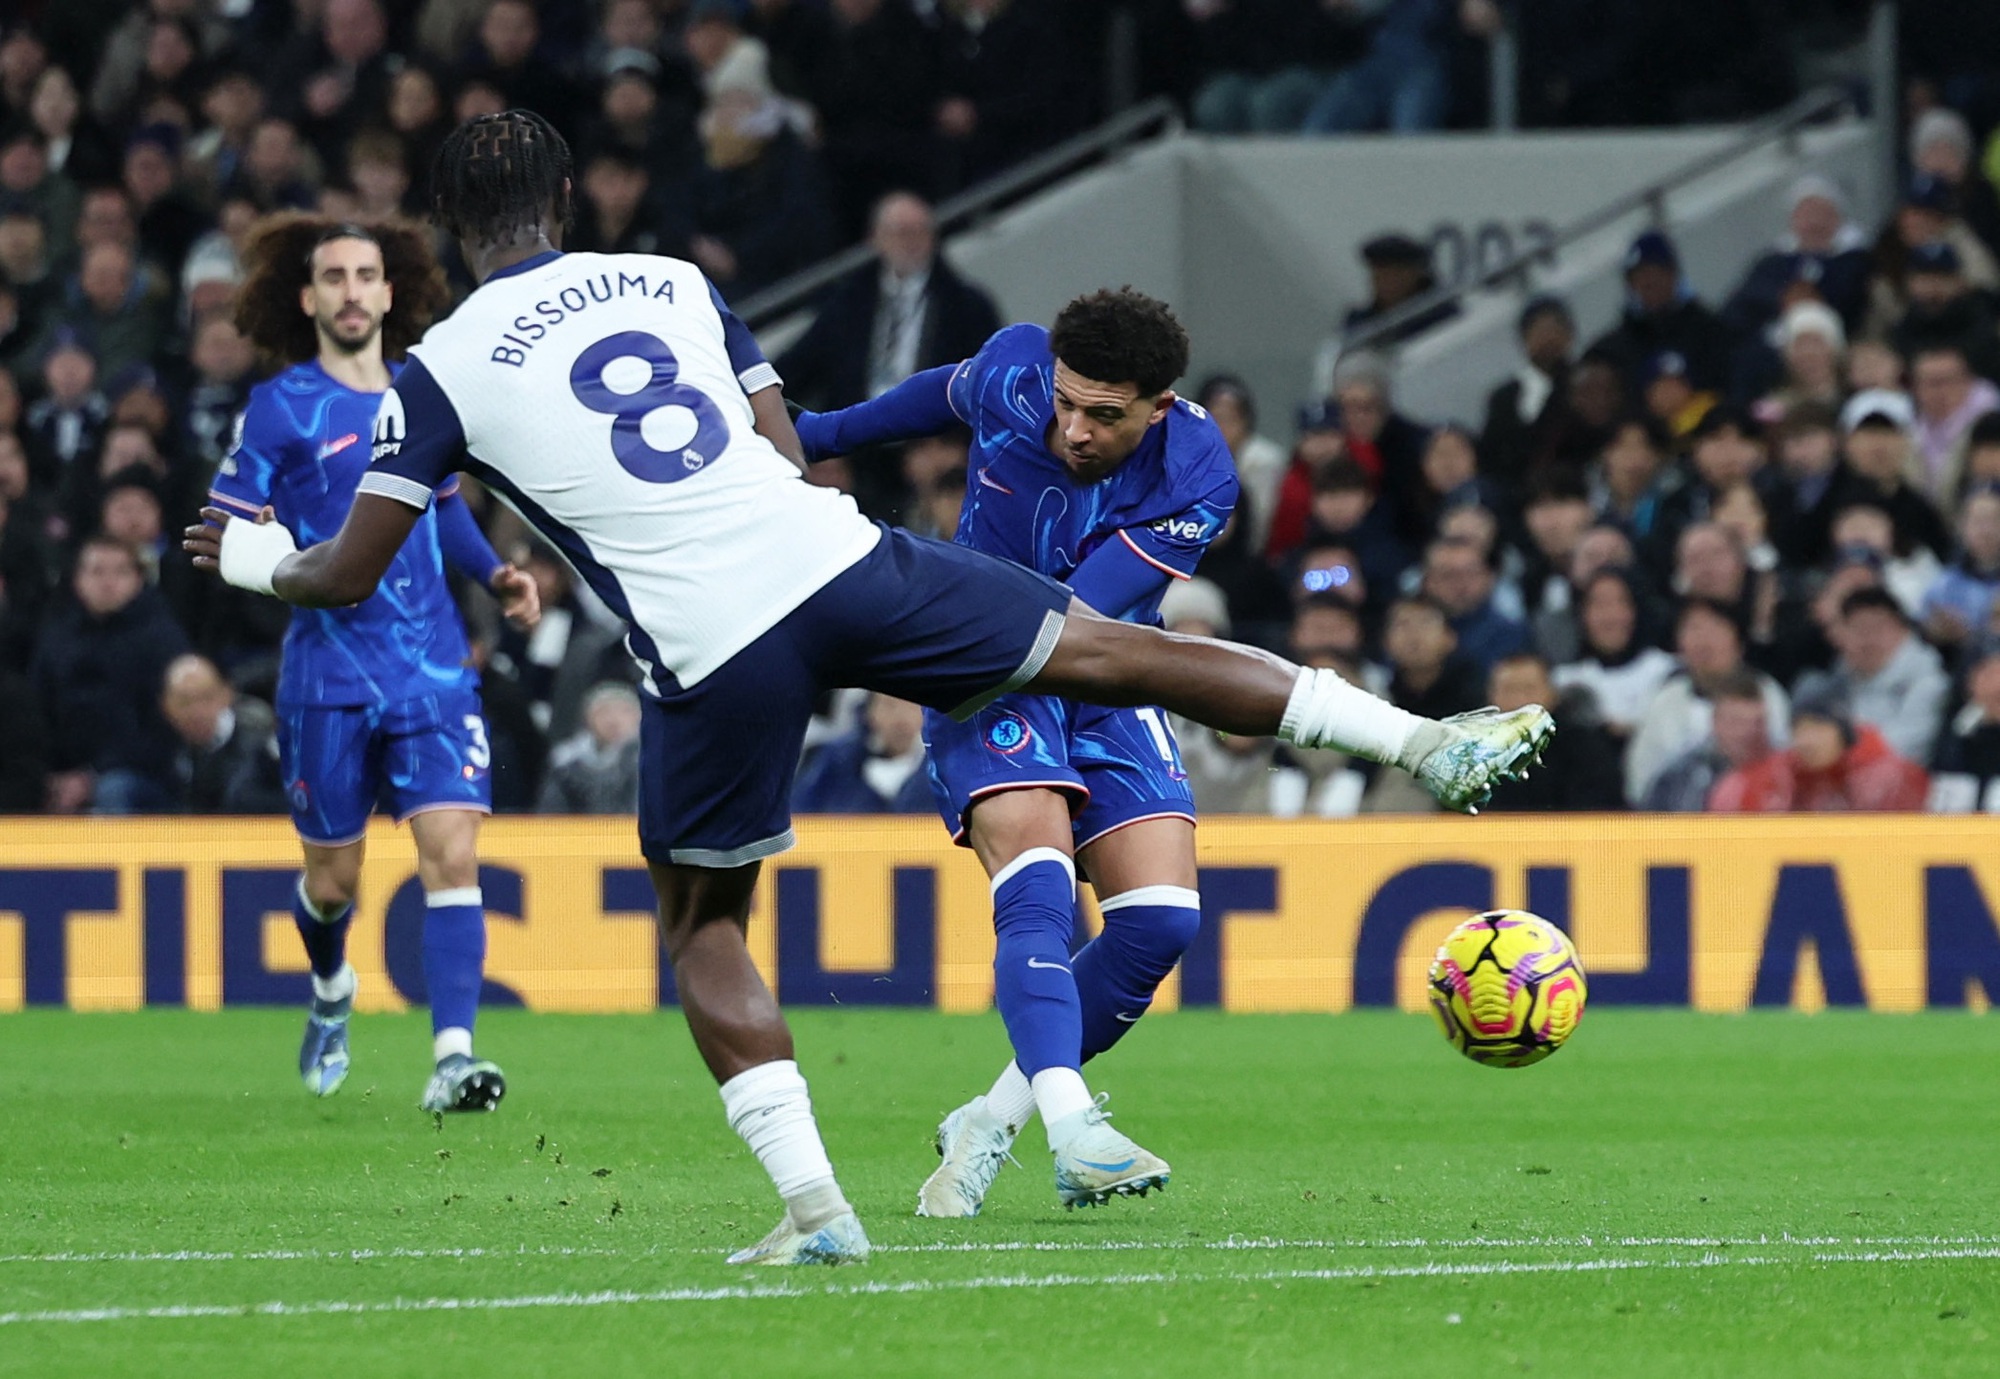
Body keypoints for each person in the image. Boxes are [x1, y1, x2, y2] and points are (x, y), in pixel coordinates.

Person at [189, 110, 1550, 1268]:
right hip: (834, 558)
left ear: (439, 230)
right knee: (1111, 647)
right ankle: (1419, 738)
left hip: (708, 643)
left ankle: (817, 1206)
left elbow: (351, 570)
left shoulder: (434, 371)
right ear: (561, 200)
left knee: (708, 921)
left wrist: (255, 558)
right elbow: (790, 448)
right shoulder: (668, 280)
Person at [793, 289, 1241, 1219]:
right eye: (1065, 403)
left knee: (1161, 923)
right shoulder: (1016, 368)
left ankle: (988, 1121)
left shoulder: (1198, 472)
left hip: (1101, 662)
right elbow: (939, 396)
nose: (1071, 429)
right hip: (980, 671)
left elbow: (1082, 614)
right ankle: (1075, 1130)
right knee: (1039, 888)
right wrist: (820, 431)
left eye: (1103, 415)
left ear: (1158, 407)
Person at [206, 213, 541, 1114]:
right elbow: (220, 527)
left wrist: (494, 573)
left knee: (452, 850)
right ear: (308, 297)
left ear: (391, 292)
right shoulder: (282, 407)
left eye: (366, 274)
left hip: (431, 668)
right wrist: (261, 548)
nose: (353, 290)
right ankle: (329, 991)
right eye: (334, 277)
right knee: (333, 883)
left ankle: (454, 1058)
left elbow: (442, 504)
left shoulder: (421, 394)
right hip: (326, 678)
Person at [1792, 587, 1951, 766]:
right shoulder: (1836, 681)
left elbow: (1904, 747)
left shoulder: (1930, 682)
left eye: (1878, 628)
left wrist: (1833, 752)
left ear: (1904, 630)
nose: (1868, 639)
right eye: (1858, 629)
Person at [1709, 689, 1928, 813]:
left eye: (1818, 729)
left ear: (1843, 735)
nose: (1807, 741)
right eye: (1799, 730)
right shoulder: (1780, 776)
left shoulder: (1888, 777)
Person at [160, 652, 288, 814]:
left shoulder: (257, 741)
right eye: (185, 702)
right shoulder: (163, 745)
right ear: (166, 705)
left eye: (206, 698)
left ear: (226, 694)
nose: (197, 711)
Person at [790, 691, 930, 814]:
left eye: (912, 707)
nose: (901, 719)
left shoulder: (942, 769)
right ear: (870, 711)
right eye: (890, 705)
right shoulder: (837, 762)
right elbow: (798, 815)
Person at [536, 680, 643, 814]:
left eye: (624, 711)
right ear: (588, 719)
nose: (613, 720)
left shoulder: (654, 763)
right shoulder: (566, 765)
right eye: (603, 711)